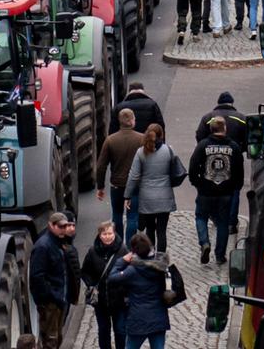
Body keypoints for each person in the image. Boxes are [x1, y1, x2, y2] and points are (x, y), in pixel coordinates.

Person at [189, 117, 244, 265]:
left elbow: (193, 167)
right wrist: (235, 187)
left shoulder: (203, 146)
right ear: (224, 129)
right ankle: (220, 255)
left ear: (211, 129)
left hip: (206, 191)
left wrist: (198, 184)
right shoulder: (233, 147)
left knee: (201, 217)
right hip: (225, 192)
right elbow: (239, 170)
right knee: (223, 223)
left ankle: (204, 242)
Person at [107, 232, 173, 349]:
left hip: (138, 320)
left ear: (134, 250)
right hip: (158, 318)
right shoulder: (161, 266)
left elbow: (112, 278)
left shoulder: (132, 271)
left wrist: (122, 261)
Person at [124, 124, 182, 246]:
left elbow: (133, 176)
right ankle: (160, 259)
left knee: (150, 228)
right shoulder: (168, 150)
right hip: (165, 195)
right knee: (162, 231)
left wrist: (127, 196)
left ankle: (150, 255)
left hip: (147, 198)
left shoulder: (141, 152)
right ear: (161, 135)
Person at [97, 109, 147, 240]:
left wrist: (100, 187)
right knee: (132, 216)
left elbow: (101, 166)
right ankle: (130, 246)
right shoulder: (141, 139)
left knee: (117, 215)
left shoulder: (110, 140)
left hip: (117, 185)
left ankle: (118, 244)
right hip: (135, 185)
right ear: (131, 121)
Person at [31, 211, 77, 349]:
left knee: (57, 338)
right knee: (51, 340)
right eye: (60, 227)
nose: (64, 230)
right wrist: (52, 296)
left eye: (65, 226)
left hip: (59, 299)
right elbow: (37, 276)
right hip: (51, 303)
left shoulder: (59, 242)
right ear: (51, 225)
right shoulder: (43, 246)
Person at [82, 220, 124, 349]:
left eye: (110, 233)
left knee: (121, 331)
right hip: (101, 301)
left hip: (119, 300)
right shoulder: (93, 252)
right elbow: (84, 272)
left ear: (114, 233)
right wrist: (91, 284)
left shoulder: (123, 250)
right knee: (104, 331)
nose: (107, 237)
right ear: (99, 235)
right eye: (104, 234)